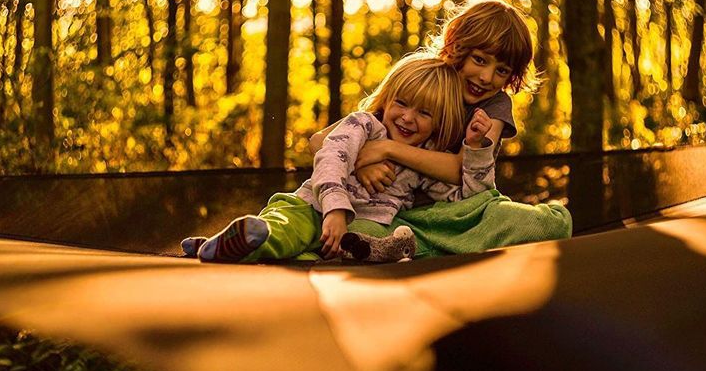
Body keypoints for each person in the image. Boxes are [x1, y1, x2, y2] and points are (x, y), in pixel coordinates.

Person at [309, 0, 572, 258]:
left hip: (458, 212)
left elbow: (460, 170)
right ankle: (408, 246)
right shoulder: (423, 81)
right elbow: (321, 140)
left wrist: (387, 149)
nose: (486, 77)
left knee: (550, 222)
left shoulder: (494, 106)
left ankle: (410, 246)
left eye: (501, 71)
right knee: (360, 226)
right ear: (457, 46)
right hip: (393, 211)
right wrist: (361, 163)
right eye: (480, 60)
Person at [182, 55, 499, 263]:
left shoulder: (422, 161)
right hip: (312, 206)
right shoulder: (362, 125)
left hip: (357, 228)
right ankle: (251, 238)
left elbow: (466, 197)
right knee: (288, 229)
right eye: (401, 103)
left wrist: (477, 149)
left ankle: (222, 248)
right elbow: (331, 156)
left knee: (348, 243)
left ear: (439, 122)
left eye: (424, 113)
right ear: (387, 99)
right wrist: (334, 208)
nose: (407, 117)